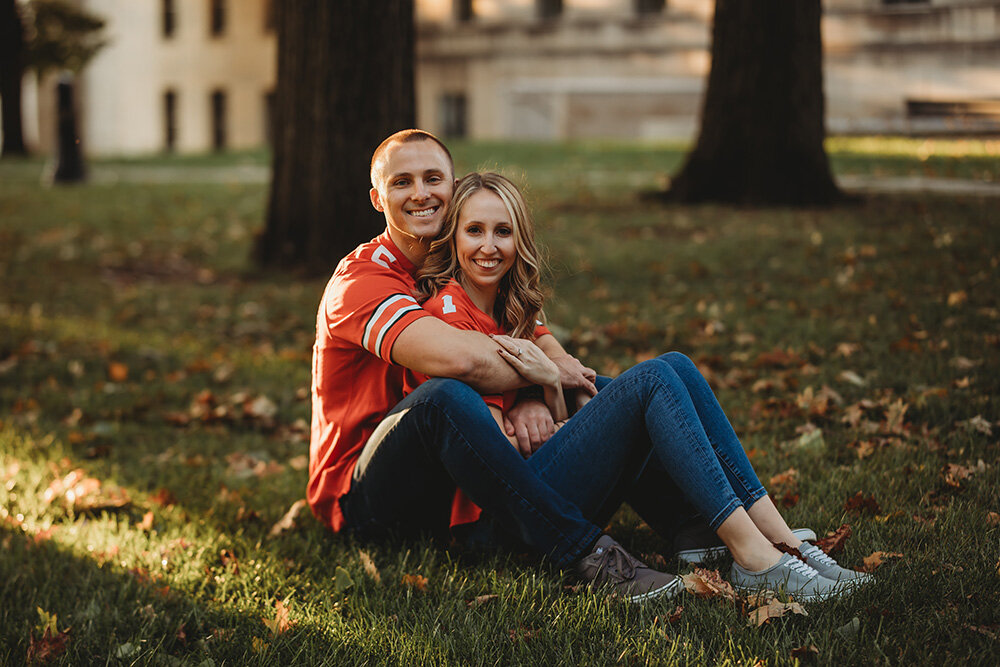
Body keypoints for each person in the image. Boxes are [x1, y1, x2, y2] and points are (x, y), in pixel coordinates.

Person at [307, 129, 861, 604]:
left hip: (466, 466)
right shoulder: (366, 280)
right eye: (402, 182)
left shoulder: (459, 265)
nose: (421, 193)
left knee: (661, 373)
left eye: (433, 179)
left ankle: (758, 538)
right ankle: (707, 557)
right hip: (376, 489)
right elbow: (459, 364)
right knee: (454, 399)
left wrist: (541, 387)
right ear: (377, 198)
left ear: (453, 192)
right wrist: (542, 381)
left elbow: (544, 350)